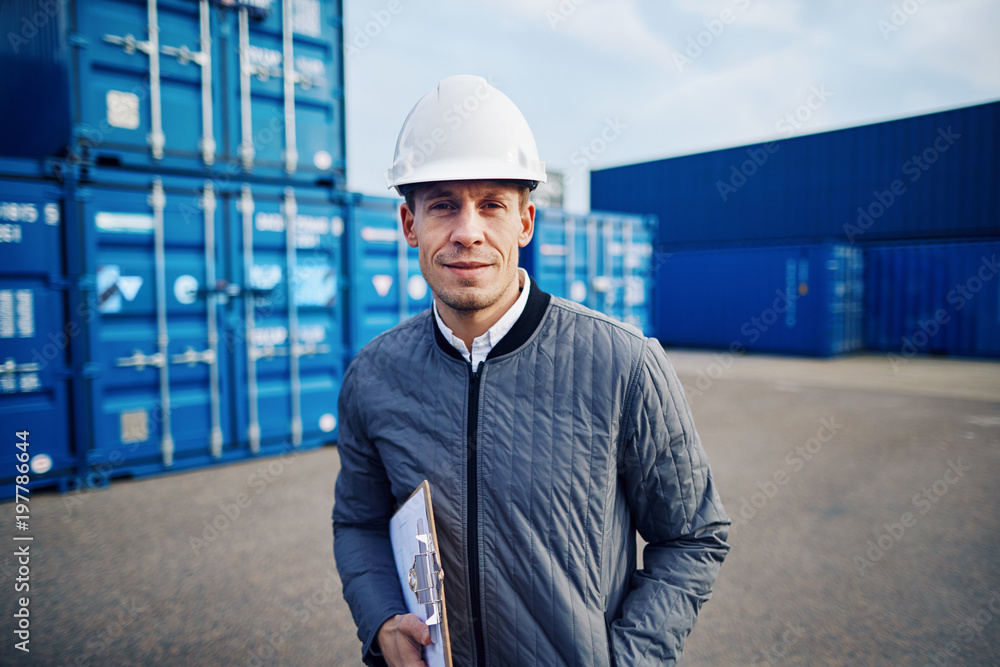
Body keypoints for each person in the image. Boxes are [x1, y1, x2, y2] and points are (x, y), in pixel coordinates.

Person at [333, 75, 730, 667]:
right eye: (443, 204)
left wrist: (630, 660)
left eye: (491, 203)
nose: (468, 231)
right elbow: (359, 524)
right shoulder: (373, 377)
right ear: (410, 224)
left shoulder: (623, 363)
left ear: (525, 221)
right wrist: (384, 619)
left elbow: (693, 536)